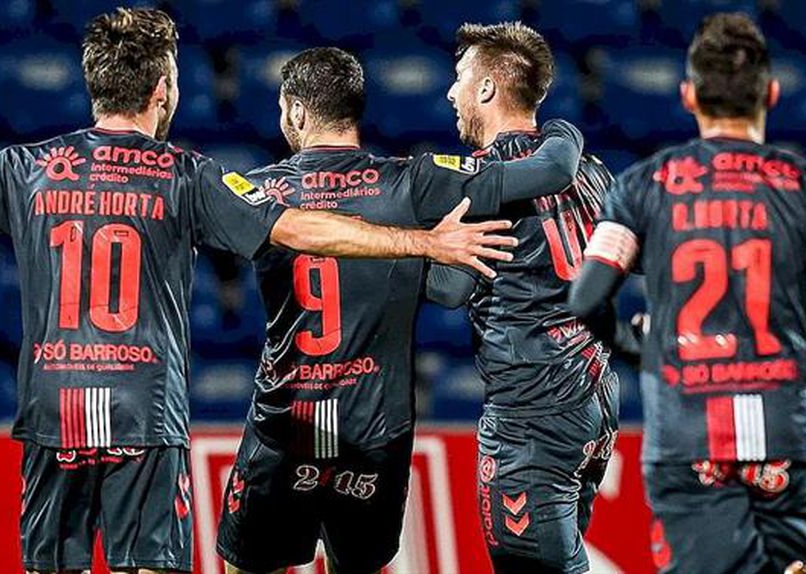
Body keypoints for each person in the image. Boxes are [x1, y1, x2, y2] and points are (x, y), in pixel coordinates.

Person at [0, 9, 521, 574]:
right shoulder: (186, 173)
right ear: (163, 89)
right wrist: (422, 242)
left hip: (53, 408)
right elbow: (296, 228)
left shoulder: (24, 166)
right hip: (146, 409)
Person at [568, 13, 806, 574]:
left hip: (688, 433)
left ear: (689, 96)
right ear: (772, 93)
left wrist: (636, 343)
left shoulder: (642, 187)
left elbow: (585, 298)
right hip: (785, 430)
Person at [215, 46, 587, 574]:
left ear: (295, 111)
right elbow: (545, 174)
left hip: (284, 425)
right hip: (376, 432)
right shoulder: (412, 180)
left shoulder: (256, 190)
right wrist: (564, 132)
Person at [442, 22, 628, 574]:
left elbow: (452, 287)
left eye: (460, 78)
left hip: (530, 411)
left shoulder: (483, 181)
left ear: (486, 89)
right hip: (595, 398)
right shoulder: (590, 171)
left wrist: (405, 252)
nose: (450, 92)